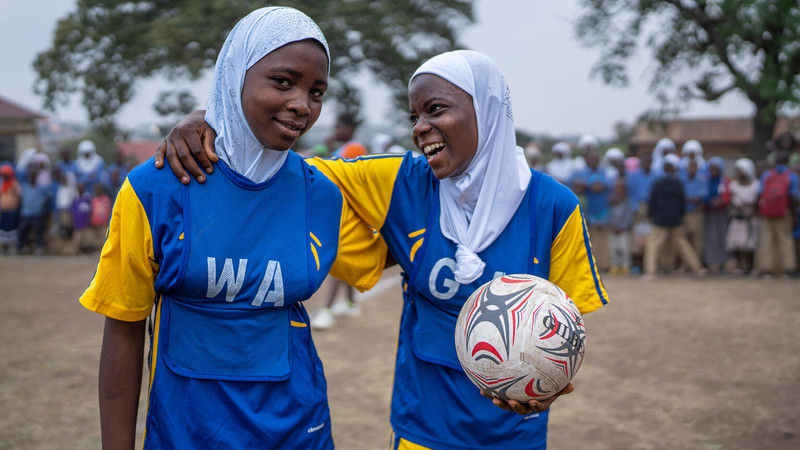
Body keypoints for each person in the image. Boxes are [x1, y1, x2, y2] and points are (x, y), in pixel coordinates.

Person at [158, 49, 609, 450]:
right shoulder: (404, 182)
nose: (421, 129)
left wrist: (545, 383)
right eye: (414, 115)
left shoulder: (552, 206)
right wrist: (213, 119)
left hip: (515, 432)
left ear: (486, 112)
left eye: (435, 110)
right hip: (423, 428)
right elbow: (297, 173)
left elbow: (569, 327)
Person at [80, 8, 385, 448]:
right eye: (283, 81)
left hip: (299, 431)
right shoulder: (157, 187)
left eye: (316, 91)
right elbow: (125, 330)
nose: (302, 104)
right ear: (234, 75)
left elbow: (404, 248)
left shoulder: (320, 193)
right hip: (186, 434)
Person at [644, 154, 706, 278]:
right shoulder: (678, 183)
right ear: (673, 170)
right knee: (683, 243)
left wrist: (651, 215)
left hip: (660, 218)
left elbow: (652, 201)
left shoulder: (658, 183)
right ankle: (698, 269)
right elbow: (682, 201)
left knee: (653, 244)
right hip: (675, 218)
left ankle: (650, 271)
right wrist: (680, 215)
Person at [756, 148, 799, 277]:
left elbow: (759, 193)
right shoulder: (792, 176)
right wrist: (793, 213)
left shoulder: (767, 175)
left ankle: (766, 269)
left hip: (766, 211)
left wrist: (759, 209)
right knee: (785, 239)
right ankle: (789, 268)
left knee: (766, 240)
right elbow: (793, 196)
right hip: (783, 211)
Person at [725, 158, 760, 275]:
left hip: (750, 218)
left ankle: (750, 267)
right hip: (738, 218)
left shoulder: (756, 185)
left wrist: (749, 206)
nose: (739, 173)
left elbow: (757, 201)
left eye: (741, 170)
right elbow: (731, 200)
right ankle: (739, 266)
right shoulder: (733, 185)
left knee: (751, 244)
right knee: (737, 243)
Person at [704, 157, 730, 273]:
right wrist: (708, 200)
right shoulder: (706, 179)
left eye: (715, 168)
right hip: (709, 212)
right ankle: (711, 262)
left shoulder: (725, 181)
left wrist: (722, 201)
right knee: (710, 237)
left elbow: (727, 195)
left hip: (721, 213)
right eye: (711, 168)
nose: (713, 170)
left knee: (722, 236)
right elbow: (703, 193)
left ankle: (722, 262)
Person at [680, 158, 708, 265]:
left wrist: (687, 199)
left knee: (697, 240)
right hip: (685, 213)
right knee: (685, 239)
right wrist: (691, 199)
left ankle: (697, 264)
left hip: (696, 214)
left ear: (697, 168)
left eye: (693, 167)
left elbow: (700, 198)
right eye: (689, 167)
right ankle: (685, 265)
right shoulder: (683, 180)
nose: (691, 169)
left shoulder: (701, 179)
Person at [608, 178, 634, 274]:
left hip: (623, 229)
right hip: (612, 228)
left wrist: (622, 227)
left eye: (621, 188)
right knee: (613, 248)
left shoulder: (627, 201)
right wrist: (611, 226)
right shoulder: (611, 200)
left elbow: (628, 216)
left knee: (624, 248)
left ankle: (625, 265)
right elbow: (608, 214)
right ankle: (615, 265)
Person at [0, 163, 22, 254]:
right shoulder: (2, 184)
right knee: (4, 229)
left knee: (12, 229)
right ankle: (5, 247)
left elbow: (20, 196)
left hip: (12, 211)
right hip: (4, 211)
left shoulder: (14, 184)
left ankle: (13, 247)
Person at [70, 182, 92, 254]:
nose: (80, 189)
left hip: (85, 223)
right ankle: (76, 250)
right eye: (79, 187)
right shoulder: (75, 199)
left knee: (87, 239)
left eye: (82, 187)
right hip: (77, 223)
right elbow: (73, 211)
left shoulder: (87, 199)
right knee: (77, 238)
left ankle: (85, 250)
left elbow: (89, 211)